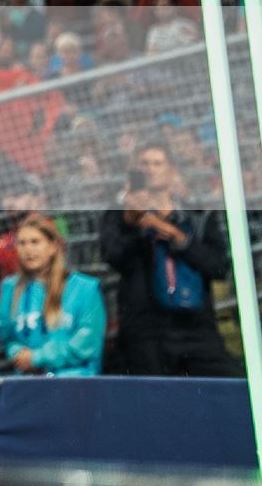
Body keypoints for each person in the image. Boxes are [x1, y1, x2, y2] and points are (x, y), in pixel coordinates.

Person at [100, 143, 239, 376]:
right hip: (146, 330)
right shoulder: (119, 215)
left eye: (157, 163)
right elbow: (113, 258)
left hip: (196, 326)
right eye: (144, 164)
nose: (151, 170)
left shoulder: (197, 214)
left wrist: (178, 237)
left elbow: (218, 266)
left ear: (172, 171)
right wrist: (132, 224)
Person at [0, 213, 104, 376]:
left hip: (74, 382)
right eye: (22, 243)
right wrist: (18, 354)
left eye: (35, 242)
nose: (28, 249)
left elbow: (86, 344)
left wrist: (37, 358)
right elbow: (7, 338)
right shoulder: (10, 287)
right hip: (29, 382)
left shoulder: (85, 288)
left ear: (53, 246)